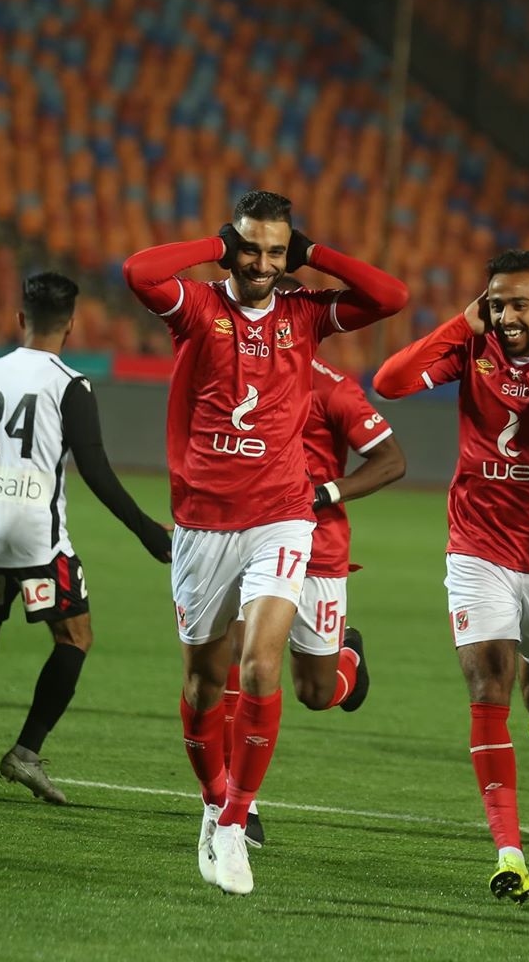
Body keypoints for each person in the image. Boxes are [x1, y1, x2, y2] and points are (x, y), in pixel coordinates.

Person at [124, 190, 407, 896]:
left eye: (276, 252)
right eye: (251, 248)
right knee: (200, 680)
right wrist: (214, 249)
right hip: (201, 522)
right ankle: (213, 795)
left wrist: (312, 256)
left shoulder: (303, 315)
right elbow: (137, 271)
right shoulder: (197, 308)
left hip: (282, 517)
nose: (262, 263)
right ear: (232, 245)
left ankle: (234, 820)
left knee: (258, 667)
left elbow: (391, 295)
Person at [375, 249, 529, 904]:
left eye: (519, 304)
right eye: (496, 303)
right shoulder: (470, 352)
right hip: (477, 545)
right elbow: (390, 380)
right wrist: (460, 324)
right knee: (488, 681)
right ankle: (510, 851)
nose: (506, 316)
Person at [0, 272, 172, 803]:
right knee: (75, 636)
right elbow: (95, 470)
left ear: (20, 318)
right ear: (73, 325)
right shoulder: (70, 384)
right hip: (35, 538)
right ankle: (25, 753)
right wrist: (145, 531)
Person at [214, 353, 407, 847]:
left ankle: (347, 657)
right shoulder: (238, 372)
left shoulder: (332, 388)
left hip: (318, 548)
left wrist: (324, 493)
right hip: (251, 538)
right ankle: (238, 804)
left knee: (316, 693)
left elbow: (391, 461)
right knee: (240, 656)